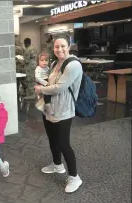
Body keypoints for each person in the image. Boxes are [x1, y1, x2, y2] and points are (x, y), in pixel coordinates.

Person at [34, 34, 83, 193]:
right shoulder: (55, 62)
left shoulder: (73, 64)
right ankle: (57, 165)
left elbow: (60, 87)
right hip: (49, 107)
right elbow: (50, 81)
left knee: (63, 143)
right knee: (53, 139)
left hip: (64, 109)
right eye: (56, 46)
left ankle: (75, 177)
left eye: (63, 46)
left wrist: (41, 89)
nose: (59, 49)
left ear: (69, 46)